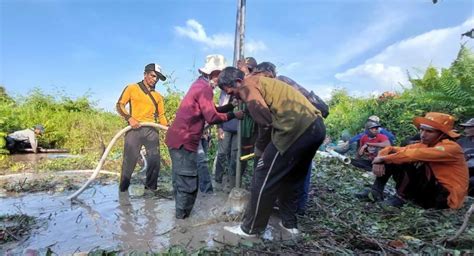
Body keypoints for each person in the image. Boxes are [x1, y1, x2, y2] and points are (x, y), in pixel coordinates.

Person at [218, 67, 326, 237]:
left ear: (238, 82)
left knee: (262, 176)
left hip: (294, 129)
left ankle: (251, 228)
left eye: (228, 90)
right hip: (316, 127)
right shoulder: (264, 82)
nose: (231, 94)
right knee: (293, 178)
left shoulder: (247, 86)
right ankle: (289, 225)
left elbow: (266, 122)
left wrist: (260, 149)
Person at [165, 55, 244, 219]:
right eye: (221, 74)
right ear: (214, 73)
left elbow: (210, 110)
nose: (223, 80)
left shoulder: (200, 85)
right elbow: (211, 117)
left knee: (181, 181)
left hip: (180, 139)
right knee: (187, 182)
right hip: (184, 140)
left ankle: (180, 217)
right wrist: (234, 114)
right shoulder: (205, 88)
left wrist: (229, 107)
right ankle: (182, 223)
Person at [356, 112, 469, 209]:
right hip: (430, 192)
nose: (422, 135)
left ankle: (401, 198)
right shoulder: (426, 145)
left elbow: (413, 154)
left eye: (429, 131)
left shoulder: (451, 148)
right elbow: (391, 149)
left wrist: (382, 158)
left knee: (407, 159)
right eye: (421, 130)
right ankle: (376, 191)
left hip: (445, 199)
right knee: (394, 155)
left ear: (442, 134)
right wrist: (380, 158)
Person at [116, 63, 168, 193]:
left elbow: (161, 115)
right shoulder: (132, 88)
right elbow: (120, 105)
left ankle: (150, 191)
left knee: (154, 161)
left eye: (157, 78)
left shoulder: (158, 97)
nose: (155, 80)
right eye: (153, 76)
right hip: (134, 129)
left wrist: (167, 128)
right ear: (145, 74)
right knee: (129, 161)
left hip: (151, 130)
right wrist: (129, 118)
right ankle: (123, 190)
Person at [214, 57, 258, 191]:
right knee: (222, 153)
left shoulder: (250, 87)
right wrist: (219, 127)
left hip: (241, 128)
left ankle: (232, 183)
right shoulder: (227, 88)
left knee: (236, 156)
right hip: (227, 125)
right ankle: (218, 180)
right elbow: (220, 108)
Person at [456, 118, 474, 196]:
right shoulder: (461, 142)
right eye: (465, 127)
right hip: (462, 170)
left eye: (469, 127)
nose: (465, 130)